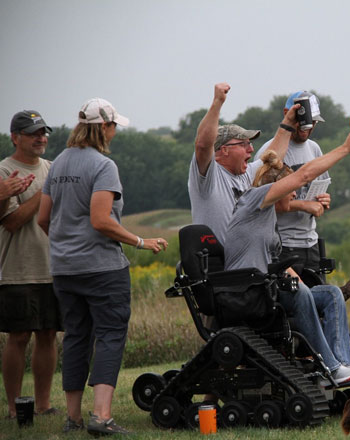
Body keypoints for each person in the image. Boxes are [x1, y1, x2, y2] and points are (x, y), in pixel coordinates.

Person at [37, 98, 169, 436]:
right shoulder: (102, 165)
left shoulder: (58, 163)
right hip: (102, 269)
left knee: (77, 336)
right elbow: (101, 220)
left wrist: (67, 246)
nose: (114, 132)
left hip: (64, 269)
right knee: (110, 335)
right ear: (104, 127)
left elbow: (42, 218)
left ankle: (73, 418)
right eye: (113, 127)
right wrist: (141, 242)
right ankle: (102, 416)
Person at [223, 142, 350, 384]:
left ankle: (344, 365)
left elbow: (274, 260)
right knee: (299, 290)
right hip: (248, 293)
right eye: (291, 190)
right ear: (276, 188)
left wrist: (292, 274)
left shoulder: (268, 220)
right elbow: (305, 174)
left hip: (265, 288)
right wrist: (346, 148)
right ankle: (332, 367)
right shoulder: (253, 199)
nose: (294, 195)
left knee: (331, 294)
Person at [1, 110, 61, 419]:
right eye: (33, 132)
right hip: (18, 268)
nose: (41, 137)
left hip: (53, 266)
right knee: (19, 336)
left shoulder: (52, 168)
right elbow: (12, 222)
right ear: (15, 137)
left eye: (43, 132)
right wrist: (44, 192)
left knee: (48, 334)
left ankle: (43, 404)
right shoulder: (4, 171)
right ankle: (13, 407)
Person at [188, 82, 298, 244]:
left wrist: (289, 122)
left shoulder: (246, 174)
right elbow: (203, 145)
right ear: (224, 150)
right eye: (244, 144)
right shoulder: (209, 177)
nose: (251, 149)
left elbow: (273, 155)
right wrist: (217, 103)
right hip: (217, 265)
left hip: (243, 264)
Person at [254, 91, 330, 279]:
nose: (308, 126)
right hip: (282, 245)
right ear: (288, 113)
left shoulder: (314, 148)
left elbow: (320, 187)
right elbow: (261, 201)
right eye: (304, 120)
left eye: (314, 122)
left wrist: (323, 201)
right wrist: (304, 205)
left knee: (318, 302)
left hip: (310, 243)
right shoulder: (270, 153)